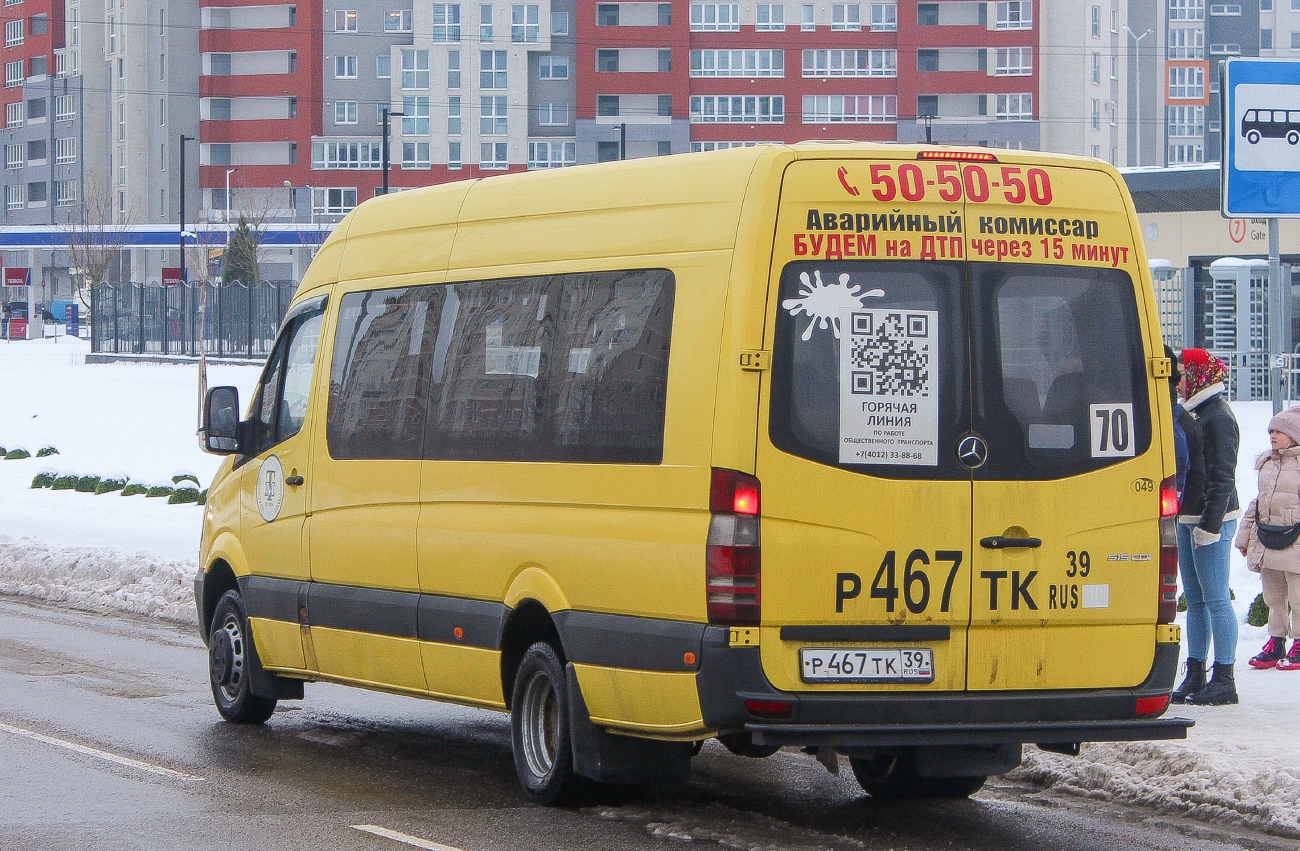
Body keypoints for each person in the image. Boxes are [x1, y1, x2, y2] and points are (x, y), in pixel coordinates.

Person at [1172, 348, 1241, 706]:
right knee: (1195, 600)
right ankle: (1196, 671)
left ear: (1198, 376)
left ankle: (1225, 676)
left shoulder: (1217, 416)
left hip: (1211, 520)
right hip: (1187, 517)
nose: (1179, 381)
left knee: (1216, 598)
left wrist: (1210, 526)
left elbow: (1222, 476)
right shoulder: (1195, 413)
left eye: (1183, 373)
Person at [1236, 406, 1300, 671]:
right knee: (1273, 596)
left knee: (1298, 597)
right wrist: (1245, 535)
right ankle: (1276, 641)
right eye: (1271, 431)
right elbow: (1259, 502)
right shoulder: (1267, 464)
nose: (1273, 435)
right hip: (1268, 539)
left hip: (1295, 542)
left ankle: (1298, 642)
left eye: (1279, 431)